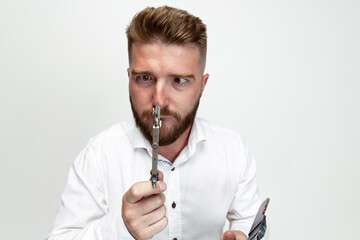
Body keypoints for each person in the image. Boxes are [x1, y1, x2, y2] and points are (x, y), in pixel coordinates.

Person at [46, 6, 262, 240]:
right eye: (145, 78)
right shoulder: (99, 155)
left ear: (202, 85)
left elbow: (250, 222)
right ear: (130, 78)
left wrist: (243, 235)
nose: (158, 99)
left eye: (179, 80)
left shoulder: (232, 149)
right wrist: (119, 228)